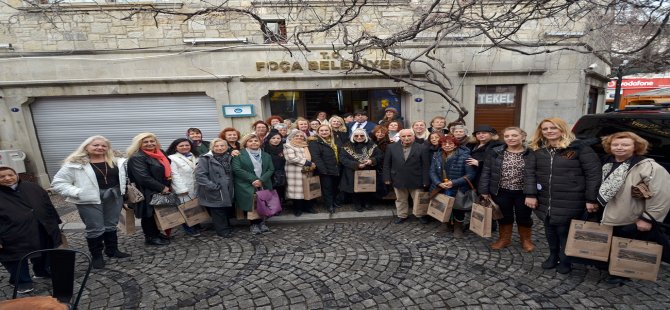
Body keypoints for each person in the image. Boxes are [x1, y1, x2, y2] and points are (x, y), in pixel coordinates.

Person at [525, 117, 601, 274]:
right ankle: (553, 256)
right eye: (545, 129)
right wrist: (530, 194)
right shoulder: (538, 150)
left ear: (562, 129)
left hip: (571, 197)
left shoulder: (579, 148)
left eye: (553, 128)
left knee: (564, 230)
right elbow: (529, 173)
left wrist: (591, 198)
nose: (549, 131)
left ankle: (566, 259)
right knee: (549, 228)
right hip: (545, 197)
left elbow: (593, 174)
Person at [597, 132, 670, 284]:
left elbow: (662, 194)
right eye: (615, 144)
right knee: (611, 242)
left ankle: (621, 274)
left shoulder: (648, 167)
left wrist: (648, 218)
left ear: (636, 147)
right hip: (609, 213)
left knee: (626, 245)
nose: (619, 148)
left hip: (630, 216)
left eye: (625, 145)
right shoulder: (607, 163)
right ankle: (611, 268)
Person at [51, 135, 130, 269]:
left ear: (108, 148)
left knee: (111, 224)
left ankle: (112, 250)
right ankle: (97, 256)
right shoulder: (75, 164)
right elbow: (58, 182)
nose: (100, 147)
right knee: (95, 228)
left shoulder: (117, 161)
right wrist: (78, 192)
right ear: (86, 147)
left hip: (113, 196)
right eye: (95, 145)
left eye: (103, 145)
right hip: (88, 199)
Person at [1, 166, 62, 293]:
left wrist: (55, 222)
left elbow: (47, 204)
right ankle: (21, 281)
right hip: (11, 233)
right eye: (2, 177)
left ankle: (42, 271)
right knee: (16, 258)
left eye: (10, 175)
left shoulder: (32, 187)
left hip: (41, 226)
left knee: (44, 251)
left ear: (16, 175)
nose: (7, 178)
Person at [478, 127, 535, 251]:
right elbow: (486, 171)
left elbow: (535, 174)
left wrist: (533, 194)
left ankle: (526, 240)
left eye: (514, 136)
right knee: (504, 216)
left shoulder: (531, 153)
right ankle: (504, 239)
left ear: (523, 137)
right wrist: (484, 190)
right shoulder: (495, 152)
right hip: (501, 191)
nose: (510, 138)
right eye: (507, 136)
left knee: (524, 216)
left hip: (523, 193)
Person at [126, 132, 171, 246]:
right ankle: (150, 237)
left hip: (159, 188)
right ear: (139, 144)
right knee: (148, 214)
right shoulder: (137, 157)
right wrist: (161, 187)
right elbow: (143, 178)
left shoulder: (160, 153)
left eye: (152, 141)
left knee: (157, 212)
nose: (149, 144)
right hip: (146, 190)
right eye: (145, 142)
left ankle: (156, 232)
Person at [429, 135, 476, 237]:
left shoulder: (465, 156)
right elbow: (432, 171)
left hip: (458, 187)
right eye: (444, 143)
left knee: (458, 208)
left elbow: (470, 175)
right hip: (441, 187)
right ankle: (445, 224)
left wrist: (453, 183)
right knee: (442, 205)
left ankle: (458, 227)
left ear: (455, 145)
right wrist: (438, 183)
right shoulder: (436, 155)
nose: (447, 145)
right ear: (441, 145)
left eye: (450, 143)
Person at [383, 129, 431, 223]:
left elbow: (426, 165)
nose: (406, 138)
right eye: (404, 136)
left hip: (416, 178)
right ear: (400, 137)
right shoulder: (391, 147)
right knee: (401, 199)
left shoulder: (422, 147)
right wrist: (387, 177)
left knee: (418, 198)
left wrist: (426, 180)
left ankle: (419, 214)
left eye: (409, 136)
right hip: (398, 177)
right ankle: (402, 215)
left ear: (413, 137)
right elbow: (387, 164)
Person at [233, 134, 275, 234]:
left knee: (263, 203)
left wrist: (261, 180)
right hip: (247, 184)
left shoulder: (266, 155)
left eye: (256, 141)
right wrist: (254, 180)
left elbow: (271, 169)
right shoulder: (239, 154)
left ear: (260, 142)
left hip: (263, 183)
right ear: (245, 143)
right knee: (252, 205)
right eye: (250, 141)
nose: (253, 143)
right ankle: (253, 224)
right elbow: (236, 169)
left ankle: (262, 223)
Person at [195, 138, 235, 238]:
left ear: (227, 147)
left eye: (222, 146)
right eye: (216, 146)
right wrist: (212, 185)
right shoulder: (205, 158)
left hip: (227, 188)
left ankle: (226, 227)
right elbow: (200, 175)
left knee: (225, 209)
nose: (220, 148)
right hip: (215, 188)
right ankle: (222, 231)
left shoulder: (229, 157)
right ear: (212, 147)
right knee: (218, 211)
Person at [340, 128, 383, 212]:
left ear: (365, 136)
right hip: (352, 171)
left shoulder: (372, 145)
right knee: (355, 189)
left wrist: (371, 160)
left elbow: (380, 156)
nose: (359, 137)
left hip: (368, 170)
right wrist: (357, 164)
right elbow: (342, 158)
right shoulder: (346, 146)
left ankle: (367, 203)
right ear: (353, 136)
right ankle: (357, 204)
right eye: (356, 135)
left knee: (368, 187)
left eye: (362, 135)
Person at [166, 138, 201, 236]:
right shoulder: (172, 158)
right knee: (185, 208)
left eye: (187, 145)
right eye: (181, 146)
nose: (185, 147)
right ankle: (189, 228)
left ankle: (196, 224)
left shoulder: (196, 156)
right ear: (176, 148)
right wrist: (181, 189)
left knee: (195, 206)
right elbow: (174, 174)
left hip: (195, 186)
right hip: (183, 187)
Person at [308, 124, 341, 213]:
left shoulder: (334, 140)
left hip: (336, 168)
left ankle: (334, 202)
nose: (324, 132)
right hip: (325, 170)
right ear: (318, 132)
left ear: (330, 131)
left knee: (335, 187)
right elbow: (316, 157)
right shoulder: (314, 142)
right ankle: (329, 205)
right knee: (327, 188)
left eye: (326, 130)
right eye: (321, 131)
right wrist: (323, 170)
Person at [284, 130, 317, 216]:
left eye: (301, 136)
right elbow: (291, 158)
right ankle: (297, 209)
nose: (299, 137)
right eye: (296, 136)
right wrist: (308, 163)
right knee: (297, 192)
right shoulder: (288, 145)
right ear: (292, 137)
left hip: (307, 171)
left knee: (307, 189)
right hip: (295, 172)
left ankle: (308, 207)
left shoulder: (306, 145)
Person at [264, 130, 287, 203]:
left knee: (280, 190)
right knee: (271, 191)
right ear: (269, 139)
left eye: (278, 138)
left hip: (281, 173)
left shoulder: (284, 148)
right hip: (269, 173)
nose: (276, 140)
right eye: (273, 138)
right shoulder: (264, 148)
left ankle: (280, 205)